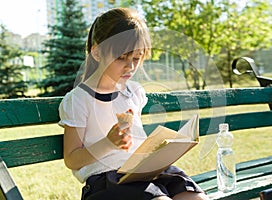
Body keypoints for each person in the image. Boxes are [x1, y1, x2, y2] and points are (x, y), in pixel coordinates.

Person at [59, 7, 209, 200]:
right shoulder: (79, 99)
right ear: (96, 52)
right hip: (108, 181)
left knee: (196, 197)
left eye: (136, 59)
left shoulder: (134, 92)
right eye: (121, 58)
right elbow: (72, 159)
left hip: (144, 171)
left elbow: (134, 143)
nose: (130, 66)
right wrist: (108, 143)